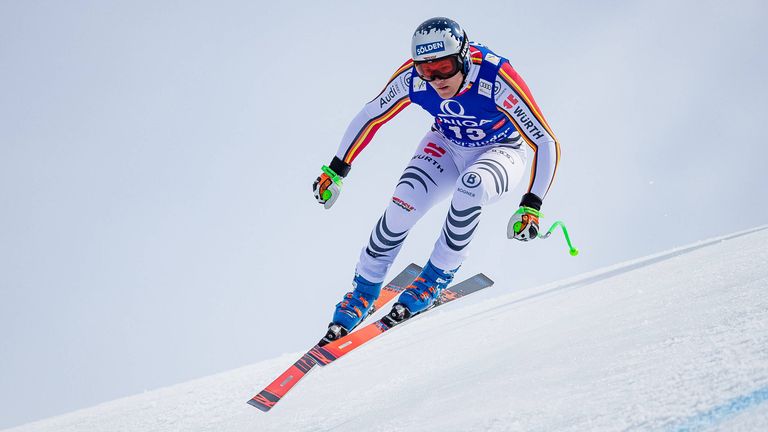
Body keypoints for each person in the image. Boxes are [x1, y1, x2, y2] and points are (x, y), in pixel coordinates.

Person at [312, 17, 560, 342]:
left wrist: (532, 205)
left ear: (463, 57)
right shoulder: (412, 79)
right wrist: (336, 169)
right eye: (426, 71)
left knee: (471, 188)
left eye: (443, 67)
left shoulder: (496, 77)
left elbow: (544, 140)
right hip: (446, 143)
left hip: (501, 150)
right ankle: (364, 289)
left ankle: (436, 277)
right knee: (404, 202)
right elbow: (372, 114)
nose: (436, 80)